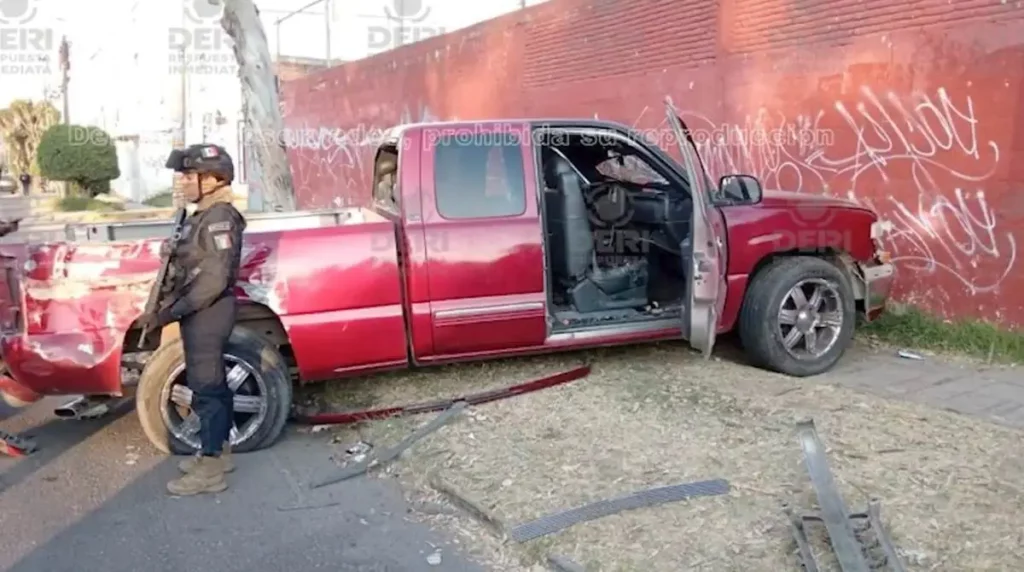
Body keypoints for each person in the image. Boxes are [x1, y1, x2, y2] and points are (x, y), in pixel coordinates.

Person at [137, 143, 247, 496]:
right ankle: (220, 453)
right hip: (199, 310)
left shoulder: (220, 218)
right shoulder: (198, 215)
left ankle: (210, 468)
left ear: (214, 179)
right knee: (211, 385)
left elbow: (213, 280)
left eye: (190, 175)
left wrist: (171, 312)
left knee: (208, 389)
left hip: (208, 311)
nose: (183, 182)